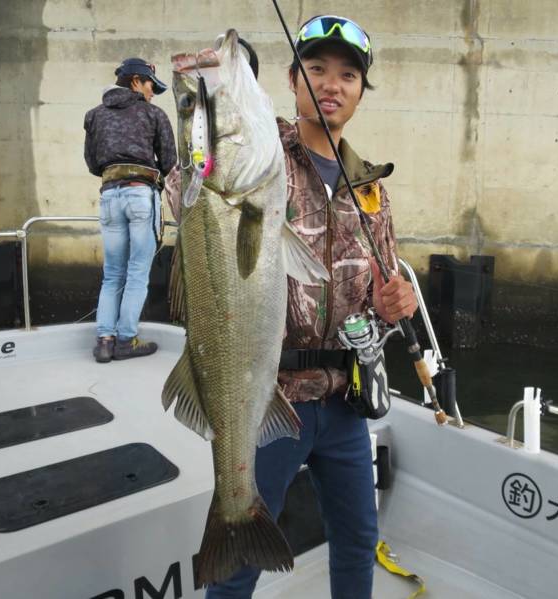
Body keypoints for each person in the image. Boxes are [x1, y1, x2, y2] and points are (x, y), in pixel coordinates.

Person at [205, 15, 418, 599]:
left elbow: (382, 288)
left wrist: (390, 303)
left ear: (361, 91)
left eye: (348, 75)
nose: (332, 84)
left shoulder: (370, 189)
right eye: (316, 69)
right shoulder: (258, 151)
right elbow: (191, 187)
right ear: (293, 80)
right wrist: (213, 90)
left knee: (358, 540)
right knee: (239, 552)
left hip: (345, 400)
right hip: (269, 395)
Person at [83, 58, 177, 362]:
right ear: (136, 81)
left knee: (112, 274)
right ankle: (126, 340)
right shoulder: (153, 114)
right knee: (137, 273)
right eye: (151, 86)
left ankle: (104, 341)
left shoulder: (94, 115)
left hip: (110, 196)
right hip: (140, 195)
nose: (152, 93)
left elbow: (93, 163)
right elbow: (170, 162)